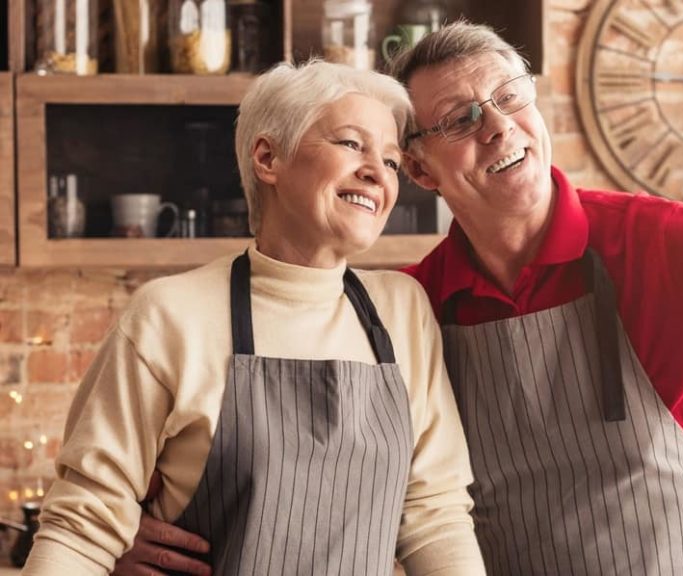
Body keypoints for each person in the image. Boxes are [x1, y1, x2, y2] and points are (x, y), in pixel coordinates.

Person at [121, 21, 683, 576]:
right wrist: (139, 534)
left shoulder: (664, 243)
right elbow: (311, 475)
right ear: (423, 172)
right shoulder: (411, 308)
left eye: (511, 97)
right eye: (462, 119)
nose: (500, 129)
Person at [22, 60, 484, 576]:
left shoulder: (402, 311)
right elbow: (82, 527)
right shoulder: (169, 317)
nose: (378, 172)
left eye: (392, 161)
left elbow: (435, 515)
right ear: (268, 158)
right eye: (352, 144)